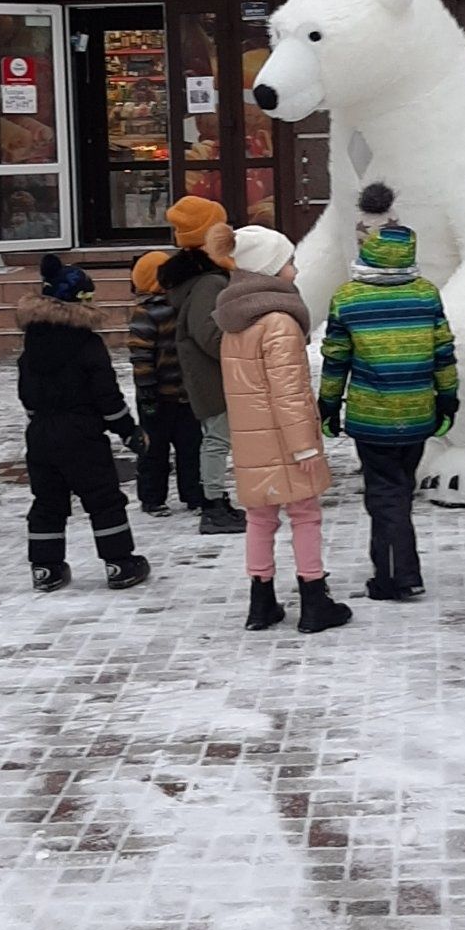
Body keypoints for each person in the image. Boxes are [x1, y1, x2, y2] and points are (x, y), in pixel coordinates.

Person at [207, 220, 352, 635]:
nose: (296, 268)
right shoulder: (279, 322)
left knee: (260, 516)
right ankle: (313, 598)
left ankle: (261, 600)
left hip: (252, 439)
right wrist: (305, 446)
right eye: (289, 260)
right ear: (268, 269)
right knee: (305, 514)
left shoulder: (234, 322)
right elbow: (288, 392)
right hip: (286, 440)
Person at [318, 216, 458, 600]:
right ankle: (388, 569)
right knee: (398, 488)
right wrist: (448, 399)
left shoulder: (348, 298)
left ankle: (399, 574)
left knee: (384, 493)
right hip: (417, 413)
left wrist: (327, 406)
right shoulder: (426, 294)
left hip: (371, 416)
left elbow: (336, 360)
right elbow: (443, 353)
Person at [18, 254, 150, 594]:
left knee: (47, 501)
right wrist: (129, 431)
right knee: (103, 498)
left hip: (41, 433)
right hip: (81, 434)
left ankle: (45, 569)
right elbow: (106, 396)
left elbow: (26, 392)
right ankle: (120, 562)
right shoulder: (87, 344)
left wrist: (38, 419)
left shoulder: (31, 344)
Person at [158, 196, 245, 536]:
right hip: (211, 375)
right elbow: (208, 333)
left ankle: (216, 501)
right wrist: (242, 348)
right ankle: (213, 505)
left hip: (206, 373)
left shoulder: (197, 276)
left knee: (215, 437)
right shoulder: (209, 281)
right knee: (217, 439)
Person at [128, 250, 203, 517]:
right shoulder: (146, 313)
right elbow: (140, 353)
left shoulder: (180, 306)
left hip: (183, 393)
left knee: (190, 446)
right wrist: (146, 387)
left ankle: (193, 493)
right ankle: (153, 497)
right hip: (158, 395)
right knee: (155, 449)